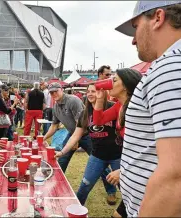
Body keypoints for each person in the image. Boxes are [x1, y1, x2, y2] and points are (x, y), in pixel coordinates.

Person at [115, 1, 181, 216]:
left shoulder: (170, 68)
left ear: (158, 18)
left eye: (135, 27)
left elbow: (175, 176)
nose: (134, 39)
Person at [55, 84, 121, 206]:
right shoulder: (84, 113)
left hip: (117, 155)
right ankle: (76, 212)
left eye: (94, 91)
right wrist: (62, 152)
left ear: (101, 93)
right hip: (97, 156)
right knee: (84, 187)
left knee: (127, 189)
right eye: (88, 91)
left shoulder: (112, 108)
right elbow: (76, 135)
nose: (90, 94)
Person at [93, 68, 142, 217]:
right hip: (131, 167)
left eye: (114, 80)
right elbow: (98, 121)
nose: (109, 83)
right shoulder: (118, 106)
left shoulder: (137, 109)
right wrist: (100, 99)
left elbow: (145, 148)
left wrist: (123, 171)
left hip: (140, 171)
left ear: (126, 85)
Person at [43, 83, 85, 172]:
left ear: (61, 89)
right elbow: (54, 126)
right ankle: (58, 181)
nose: (54, 94)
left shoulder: (73, 100)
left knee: (98, 162)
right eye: (51, 93)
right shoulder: (55, 107)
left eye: (56, 91)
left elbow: (80, 123)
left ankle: (113, 182)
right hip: (72, 134)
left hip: (88, 134)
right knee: (62, 159)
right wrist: (43, 138)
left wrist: (76, 140)